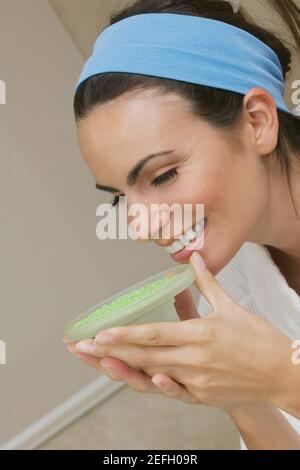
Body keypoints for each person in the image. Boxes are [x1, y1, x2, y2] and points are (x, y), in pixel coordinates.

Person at [64, 0, 300, 450]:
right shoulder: (230, 282)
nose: (142, 227)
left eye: (164, 175)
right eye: (120, 196)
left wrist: (283, 378)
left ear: (257, 121)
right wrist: (239, 394)